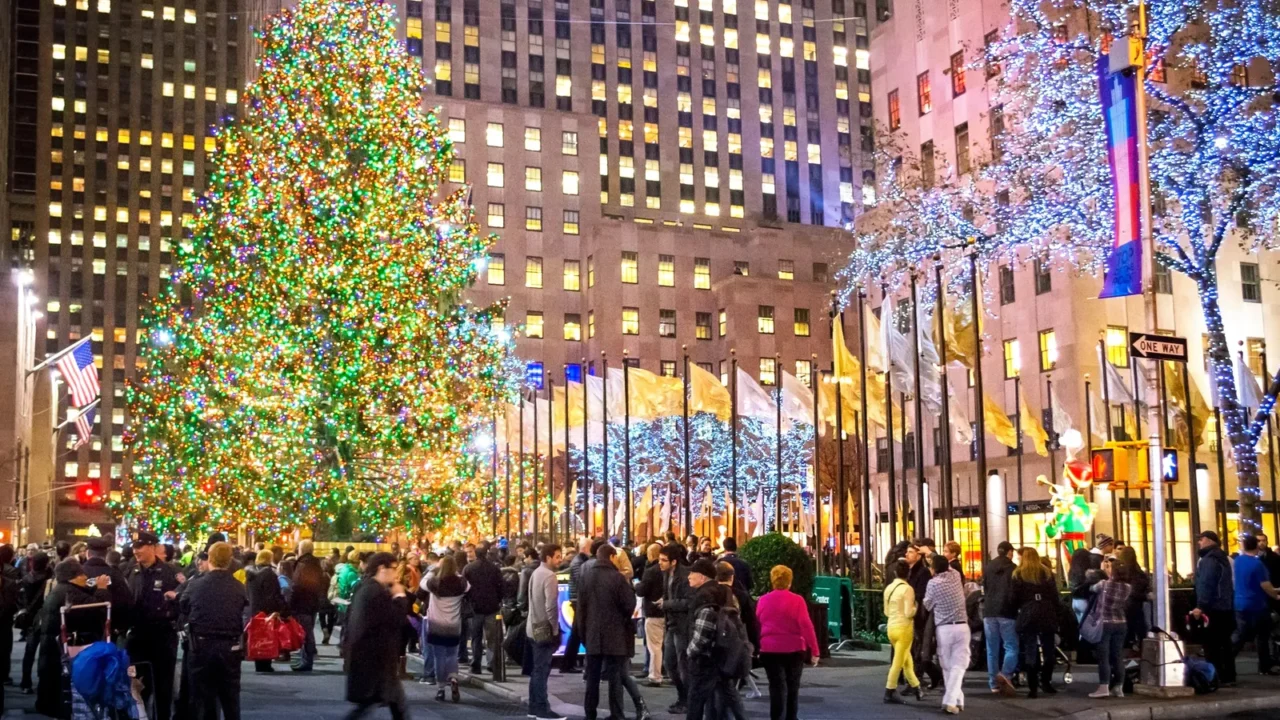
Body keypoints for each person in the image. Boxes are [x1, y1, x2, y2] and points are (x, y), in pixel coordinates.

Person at [180, 542, 248, 720]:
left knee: (201, 697)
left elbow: (184, 605)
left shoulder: (196, 585)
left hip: (202, 645)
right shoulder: (238, 587)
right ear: (230, 560)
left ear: (209, 559)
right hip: (230, 646)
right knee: (230, 698)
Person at [36, 559, 111, 717]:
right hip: (65, 654)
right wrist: (102, 589)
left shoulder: (60, 590)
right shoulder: (72, 593)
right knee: (65, 698)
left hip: (52, 653)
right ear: (73, 577)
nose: (85, 577)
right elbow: (98, 609)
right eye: (82, 574)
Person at [578, 544, 645, 720]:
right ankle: (616, 714)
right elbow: (629, 605)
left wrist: (583, 633)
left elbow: (581, 609)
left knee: (592, 678)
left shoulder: (586, 577)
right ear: (612, 557)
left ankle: (590, 713)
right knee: (615, 677)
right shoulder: (617, 578)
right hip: (615, 635)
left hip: (592, 634)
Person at [344, 552, 410, 720]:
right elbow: (395, 619)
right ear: (382, 568)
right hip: (375, 660)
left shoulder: (368, 588)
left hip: (374, 659)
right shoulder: (376, 592)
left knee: (395, 704)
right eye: (393, 568)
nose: (396, 573)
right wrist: (400, 596)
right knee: (373, 704)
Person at [126, 531, 183, 720]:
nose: (136, 551)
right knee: (136, 685)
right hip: (137, 637)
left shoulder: (171, 572)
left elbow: (183, 600)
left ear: (152, 547)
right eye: (134, 547)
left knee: (163, 686)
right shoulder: (129, 570)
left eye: (140, 547)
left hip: (162, 636)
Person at [757, 565, 821, 719]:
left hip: (769, 648)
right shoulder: (797, 600)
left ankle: (776, 717)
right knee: (793, 687)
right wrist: (815, 650)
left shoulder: (763, 600)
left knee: (776, 686)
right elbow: (806, 625)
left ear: (772, 581)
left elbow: (757, 622)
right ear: (790, 581)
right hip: (794, 648)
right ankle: (791, 717)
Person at [685, 558, 741, 720]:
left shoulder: (703, 595)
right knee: (726, 694)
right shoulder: (725, 591)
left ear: (702, 577)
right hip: (724, 651)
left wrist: (691, 651)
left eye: (693, 573)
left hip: (705, 656)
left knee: (696, 698)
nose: (689, 576)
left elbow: (704, 626)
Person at [923, 554, 969, 715]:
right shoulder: (956, 576)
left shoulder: (932, 584)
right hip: (962, 626)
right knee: (958, 665)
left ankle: (950, 700)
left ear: (934, 569)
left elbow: (928, 605)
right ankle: (957, 699)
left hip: (944, 628)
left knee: (948, 665)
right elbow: (948, 567)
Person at [1010, 547, 1059, 698]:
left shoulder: (1018, 574)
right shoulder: (1046, 573)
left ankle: (1033, 687)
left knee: (1030, 648)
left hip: (1028, 612)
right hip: (1046, 611)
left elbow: (1013, 598)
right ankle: (1046, 681)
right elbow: (1054, 596)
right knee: (1049, 648)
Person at [527, 544, 566, 720]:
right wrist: (555, 629)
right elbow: (550, 607)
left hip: (533, 626)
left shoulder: (536, 573)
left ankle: (534, 706)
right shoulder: (550, 576)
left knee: (537, 669)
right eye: (557, 556)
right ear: (548, 557)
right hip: (544, 628)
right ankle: (542, 708)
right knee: (542, 670)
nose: (560, 560)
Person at [1192, 530, 1236, 685]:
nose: (1199, 542)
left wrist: (1200, 606)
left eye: (1201, 539)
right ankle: (1228, 676)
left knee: (1212, 645)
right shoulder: (1222, 558)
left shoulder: (1209, 560)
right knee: (1224, 644)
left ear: (1210, 541)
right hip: (1224, 606)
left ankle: (1215, 676)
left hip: (1213, 608)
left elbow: (1206, 584)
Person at [1232, 534, 1280, 675]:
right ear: (1256, 547)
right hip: (1257, 605)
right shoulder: (1258, 564)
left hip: (1239, 602)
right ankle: (1264, 667)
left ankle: (1225, 661)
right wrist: (1276, 595)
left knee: (1240, 635)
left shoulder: (1238, 561)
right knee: (1262, 636)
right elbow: (1265, 586)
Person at [424, 554, 467, 702]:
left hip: (436, 624)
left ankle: (441, 688)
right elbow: (468, 587)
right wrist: (455, 572)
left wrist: (434, 569)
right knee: (452, 655)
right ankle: (453, 679)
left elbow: (422, 584)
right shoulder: (461, 582)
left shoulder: (435, 583)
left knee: (439, 656)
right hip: (454, 625)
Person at [1088, 557, 1132, 699]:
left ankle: (1103, 687)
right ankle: (1118, 687)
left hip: (1105, 623)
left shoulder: (1103, 584)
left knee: (1104, 657)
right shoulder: (1127, 587)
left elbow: (1091, 588)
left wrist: (1103, 571)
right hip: (1121, 623)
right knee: (1118, 656)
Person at [880, 560, 923, 704]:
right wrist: (916, 607)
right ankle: (890, 690)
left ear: (894, 572)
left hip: (891, 627)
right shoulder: (908, 589)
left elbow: (886, 611)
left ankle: (916, 686)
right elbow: (908, 612)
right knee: (899, 662)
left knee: (906, 659)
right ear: (909, 573)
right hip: (904, 628)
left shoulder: (889, 588)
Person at [659, 543, 693, 714]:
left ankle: (687, 699)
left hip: (682, 626)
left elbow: (688, 602)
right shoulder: (666, 575)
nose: (660, 563)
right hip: (671, 624)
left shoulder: (685, 575)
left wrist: (666, 604)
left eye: (664, 560)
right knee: (669, 662)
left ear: (673, 562)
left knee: (682, 664)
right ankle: (682, 697)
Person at [981, 540, 1018, 696]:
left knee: (992, 648)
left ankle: (993, 684)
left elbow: (985, 587)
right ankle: (1005, 674)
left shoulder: (988, 567)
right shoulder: (1013, 568)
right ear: (1009, 552)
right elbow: (1015, 591)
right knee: (1011, 646)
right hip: (1007, 611)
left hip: (989, 611)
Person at [462, 541, 503, 675]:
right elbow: (500, 586)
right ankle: (492, 663)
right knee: (492, 638)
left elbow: (464, 588)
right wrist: (498, 600)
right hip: (491, 607)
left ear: (476, 554)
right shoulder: (494, 568)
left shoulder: (468, 569)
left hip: (475, 609)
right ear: (486, 554)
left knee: (476, 638)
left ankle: (476, 665)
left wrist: (468, 601)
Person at [904, 543, 942, 689]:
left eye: (910, 552)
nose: (907, 554)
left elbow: (921, 596)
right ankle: (933, 676)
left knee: (919, 649)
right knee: (916, 650)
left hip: (919, 617)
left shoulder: (923, 573)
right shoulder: (911, 571)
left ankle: (916, 681)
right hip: (913, 615)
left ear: (919, 555)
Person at [245, 550, 287, 673]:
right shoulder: (269, 575)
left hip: (254, 609)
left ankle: (259, 662)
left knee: (257, 637)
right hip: (266, 610)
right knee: (267, 637)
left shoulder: (251, 574)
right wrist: (277, 609)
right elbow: (273, 594)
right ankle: (266, 663)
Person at [17, 552, 52, 694]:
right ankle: (43, 681)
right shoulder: (49, 578)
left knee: (29, 652)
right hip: (45, 616)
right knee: (46, 652)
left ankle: (26, 681)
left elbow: (20, 599)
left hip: (31, 618)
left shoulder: (26, 579)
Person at [289, 540, 326, 672]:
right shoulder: (316, 564)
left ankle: (307, 661)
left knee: (306, 632)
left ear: (301, 550)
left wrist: (291, 603)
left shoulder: (302, 565)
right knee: (307, 631)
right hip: (312, 602)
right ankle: (306, 658)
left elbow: (297, 585)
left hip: (302, 602)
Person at [635, 543, 665, 687]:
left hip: (653, 612)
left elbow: (642, 590)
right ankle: (665, 672)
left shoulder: (651, 571)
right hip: (668, 612)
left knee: (654, 647)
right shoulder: (670, 571)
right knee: (664, 645)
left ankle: (654, 676)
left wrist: (637, 586)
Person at [560, 537, 591, 674]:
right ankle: (568, 663)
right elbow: (581, 581)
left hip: (577, 599)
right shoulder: (579, 562)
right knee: (578, 632)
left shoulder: (580, 561)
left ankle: (567, 664)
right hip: (577, 600)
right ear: (585, 548)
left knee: (577, 632)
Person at [1115, 546, 1150, 649]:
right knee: (1140, 628)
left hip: (1122, 605)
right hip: (1135, 605)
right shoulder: (1136, 571)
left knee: (1126, 631)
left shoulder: (1120, 571)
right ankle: (1139, 649)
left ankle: (1126, 650)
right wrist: (1146, 596)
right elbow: (1134, 590)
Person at [0, 545, 21, 685]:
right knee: (5, 647)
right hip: (5, 618)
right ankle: (4, 675)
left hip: (5, 616)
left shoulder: (8, 576)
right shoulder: (12, 574)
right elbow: (11, 599)